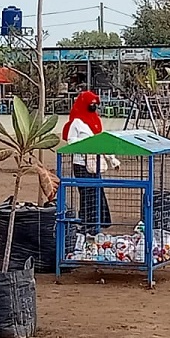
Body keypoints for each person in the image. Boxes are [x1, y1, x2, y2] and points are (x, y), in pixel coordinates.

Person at [64, 90, 113, 232]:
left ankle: (97, 222)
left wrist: (112, 159)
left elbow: (100, 141)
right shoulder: (77, 122)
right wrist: (85, 146)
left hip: (95, 162)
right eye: (91, 104)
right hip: (81, 163)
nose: (93, 106)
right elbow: (70, 140)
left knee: (97, 191)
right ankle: (86, 223)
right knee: (86, 192)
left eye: (95, 104)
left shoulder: (95, 120)